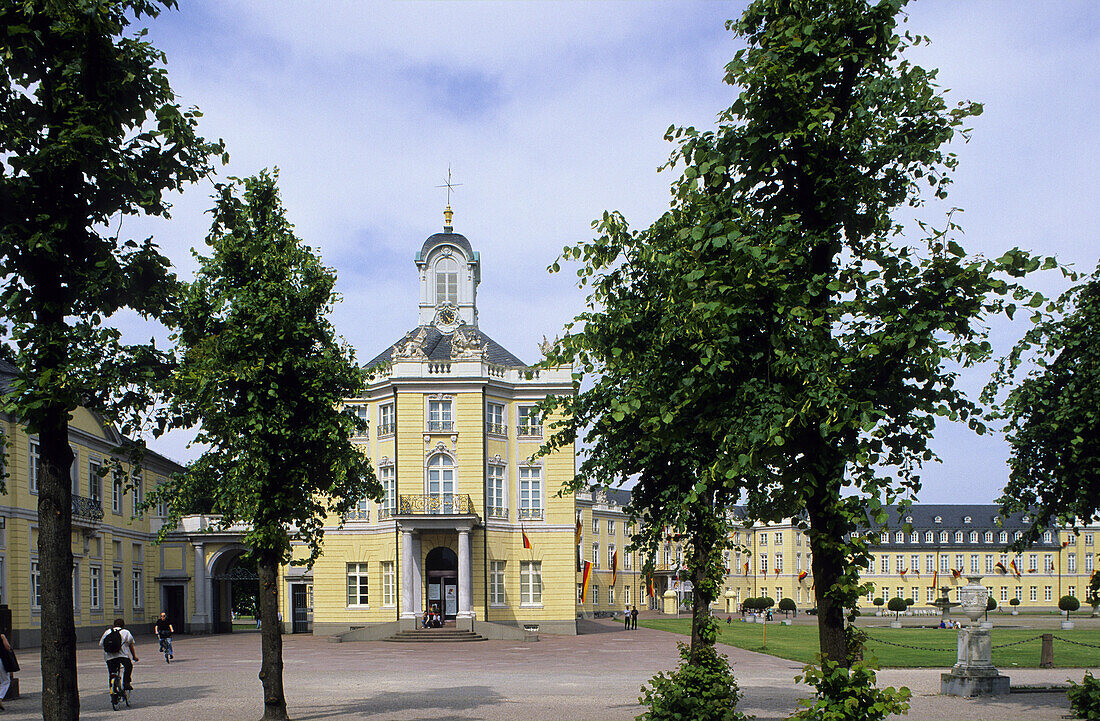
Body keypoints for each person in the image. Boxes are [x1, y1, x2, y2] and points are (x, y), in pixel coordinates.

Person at [99, 618, 138, 693]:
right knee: (129, 666)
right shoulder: (126, 632)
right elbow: (130, 645)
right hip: (122, 656)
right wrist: (134, 656)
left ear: (114, 625)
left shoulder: (107, 632)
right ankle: (126, 683)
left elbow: (101, 643)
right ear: (123, 625)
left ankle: (112, 692)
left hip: (109, 657)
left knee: (112, 672)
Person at [0, 631, 14, 709]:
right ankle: (0, 697)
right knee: (6, 681)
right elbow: (7, 647)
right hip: (0, 660)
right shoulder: (1, 636)